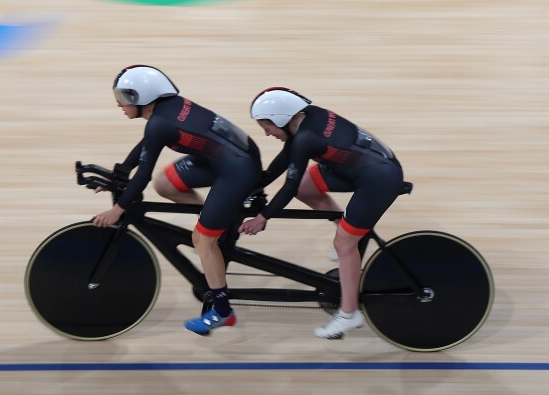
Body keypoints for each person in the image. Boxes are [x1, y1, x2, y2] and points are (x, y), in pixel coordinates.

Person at [93, 65, 263, 335]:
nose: (118, 103)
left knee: (201, 240)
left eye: (123, 96)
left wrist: (118, 208)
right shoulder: (167, 110)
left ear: (142, 97)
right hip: (225, 158)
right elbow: (148, 145)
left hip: (236, 171)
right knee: (166, 183)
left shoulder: (160, 122)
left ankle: (222, 311)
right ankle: (214, 228)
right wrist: (121, 172)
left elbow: (143, 176)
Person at [239, 87, 404, 340]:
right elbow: (287, 159)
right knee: (307, 185)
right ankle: (348, 232)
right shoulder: (307, 117)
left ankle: (349, 314)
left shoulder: (307, 138)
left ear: (282, 118)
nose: (266, 133)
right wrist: (259, 182)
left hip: (378, 180)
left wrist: (263, 218)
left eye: (267, 126)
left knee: (343, 244)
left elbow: (288, 185)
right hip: (362, 165)